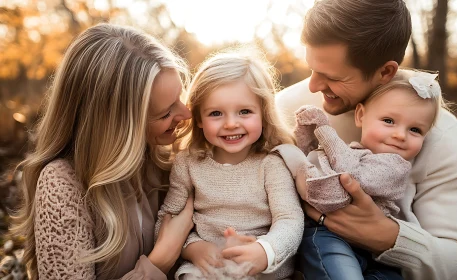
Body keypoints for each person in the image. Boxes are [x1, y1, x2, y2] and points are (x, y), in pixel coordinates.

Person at [274, 0, 457, 279]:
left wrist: (388, 236)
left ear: (385, 72)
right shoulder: (286, 108)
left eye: (332, 76)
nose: (314, 86)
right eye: (311, 68)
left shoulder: (441, 137)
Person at [11, 23, 196, 279]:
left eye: (179, 97)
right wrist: (161, 260)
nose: (185, 114)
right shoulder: (62, 186)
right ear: (118, 126)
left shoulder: (168, 163)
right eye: (165, 112)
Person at [277, 69, 443, 280]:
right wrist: (305, 131)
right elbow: (306, 159)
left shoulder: (396, 167)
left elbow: (353, 175)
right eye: (389, 121)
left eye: (415, 130)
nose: (400, 135)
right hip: (329, 237)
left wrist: (323, 129)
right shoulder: (350, 150)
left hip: (375, 250)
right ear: (361, 116)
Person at [155, 48, 304, 280]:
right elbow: (167, 219)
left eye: (244, 111)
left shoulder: (272, 165)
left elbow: (290, 220)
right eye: (216, 113)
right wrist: (193, 249)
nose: (231, 124)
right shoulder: (188, 163)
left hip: (263, 270)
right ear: (199, 120)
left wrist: (264, 251)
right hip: (206, 269)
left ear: (263, 114)